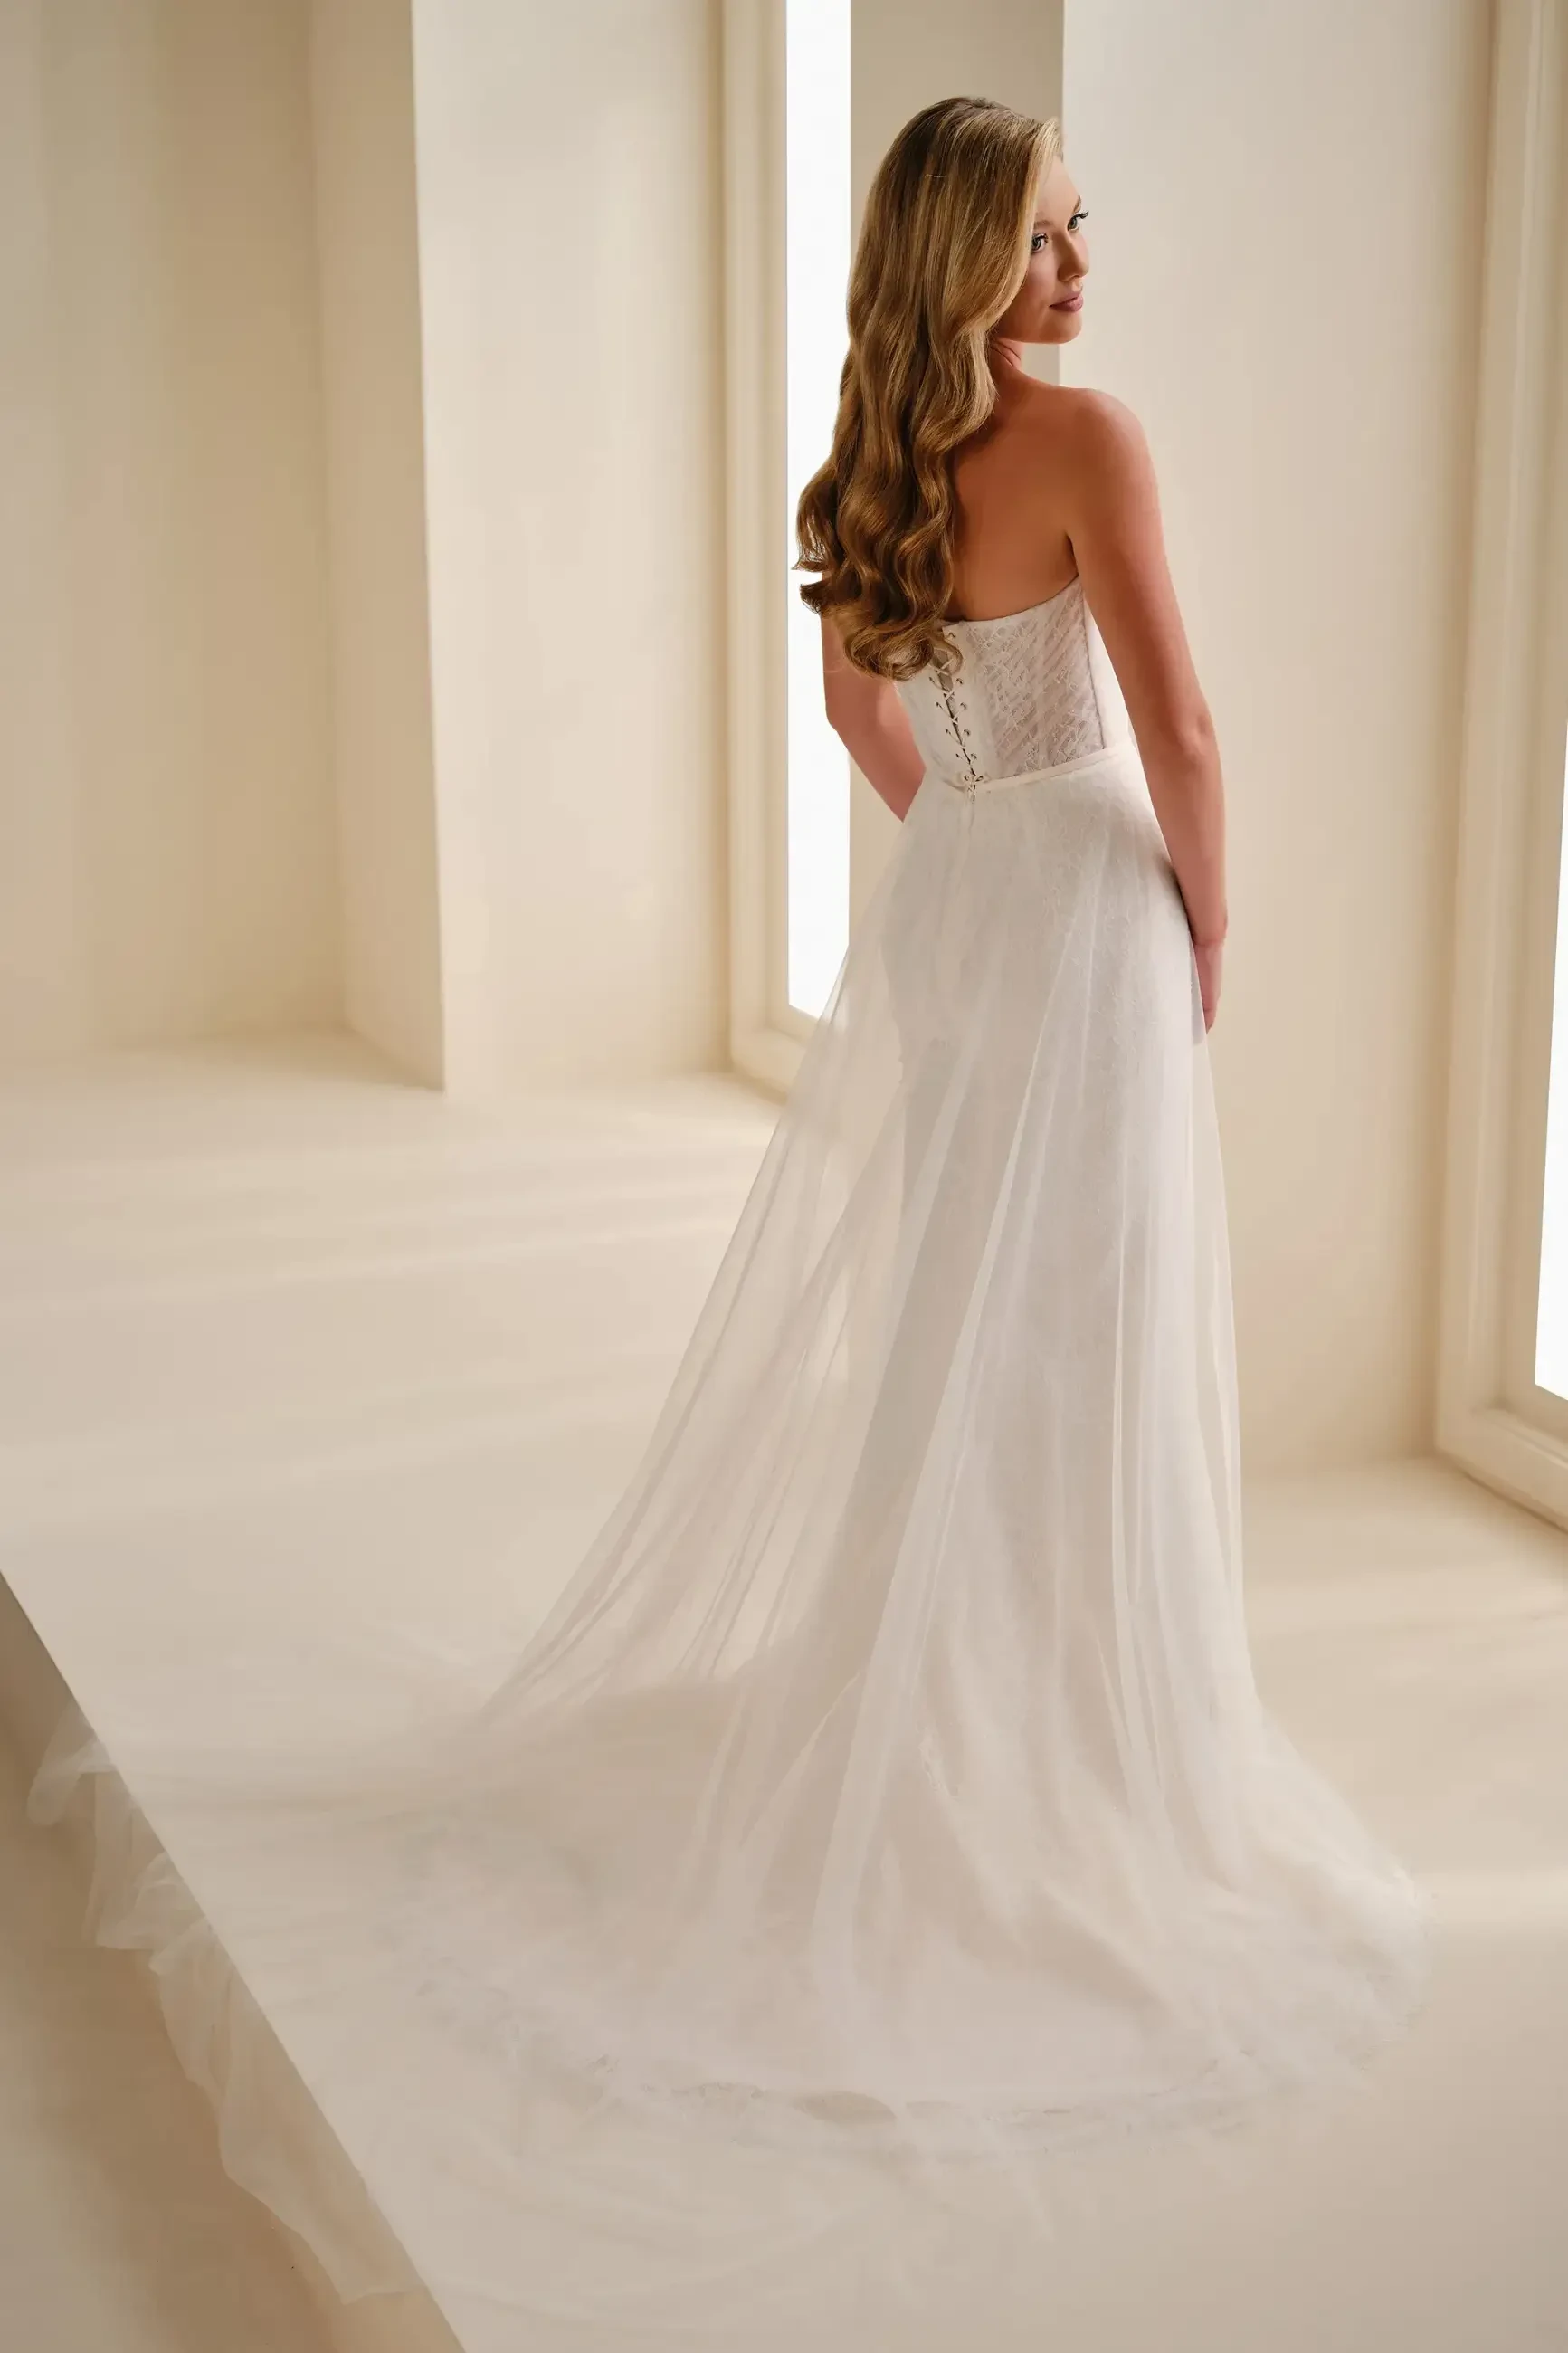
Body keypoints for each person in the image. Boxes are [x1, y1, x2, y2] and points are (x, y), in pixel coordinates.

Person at [33, 93, 1433, 2325]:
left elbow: (858, 714)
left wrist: (969, 840)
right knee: (1066, 1326)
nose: (1082, 265)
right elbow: (1179, 717)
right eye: (1047, 236)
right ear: (969, 258)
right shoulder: (1089, 447)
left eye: (1085, 228)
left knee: (960, 1324)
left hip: (966, 913)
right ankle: (1059, 1738)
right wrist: (1204, 922)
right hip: (1075, 915)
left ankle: (946, 1715)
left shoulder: (877, 464)